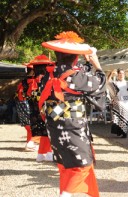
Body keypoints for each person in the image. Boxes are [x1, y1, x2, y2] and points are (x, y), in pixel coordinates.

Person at [39, 31, 106, 197]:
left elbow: (78, 74)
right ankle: (66, 195)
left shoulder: (49, 73)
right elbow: (100, 84)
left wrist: (86, 65)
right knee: (80, 165)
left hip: (54, 124)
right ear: (76, 57)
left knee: (65, 166)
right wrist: (97, 64)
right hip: (72, 125)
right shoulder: (76, 77)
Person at [25, 55, 55, 162]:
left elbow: (29, 94)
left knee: (43, 132)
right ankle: (49, 153)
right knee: (50, 131)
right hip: (45, 106)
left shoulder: (32, 80)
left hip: (35, 108)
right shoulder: (47, 78)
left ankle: (42, 153)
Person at [15, 63, 39, 151]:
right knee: (31, 125)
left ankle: (30, 142)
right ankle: (30, 143)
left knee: (28, 125)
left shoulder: (23, 81)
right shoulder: (33, 81)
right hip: (27, 103)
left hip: (21, 103)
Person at [107, 68, 128, 138]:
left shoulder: (127, 83)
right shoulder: (115, 83)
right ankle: (119, 132)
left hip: (126, 103)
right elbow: (108, 82)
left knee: (125, 118)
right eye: (120, 73)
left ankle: (124, 133)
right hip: (117, 103)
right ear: (118, 75)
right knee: (117, 118)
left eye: (123, 73)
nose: (121, 75)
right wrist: (111, 73)